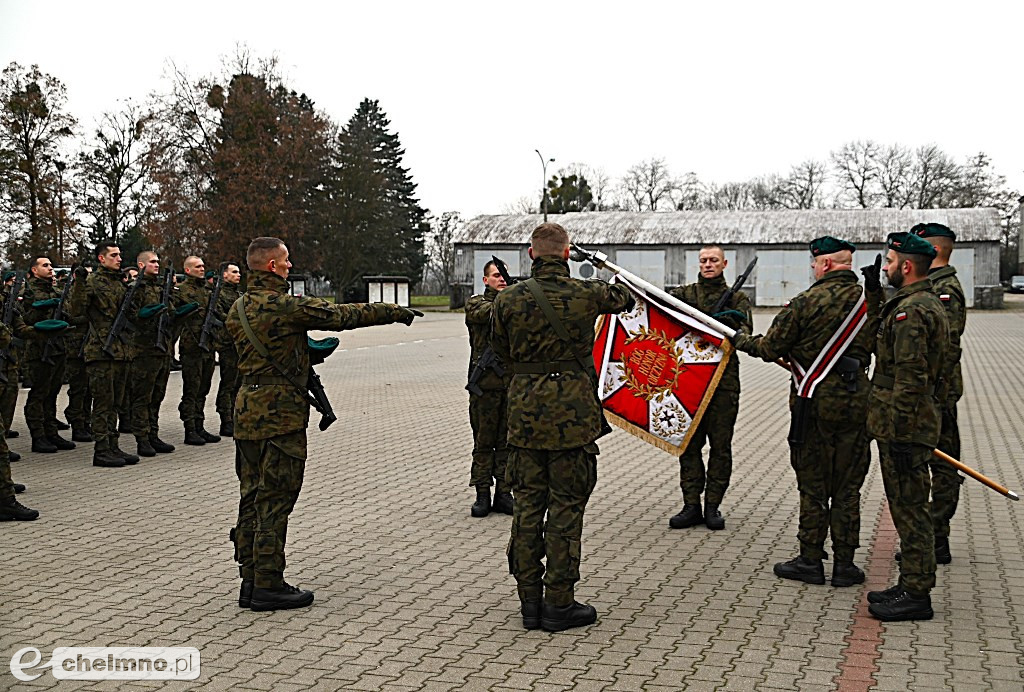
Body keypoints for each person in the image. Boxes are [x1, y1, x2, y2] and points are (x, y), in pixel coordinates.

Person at [226, 236, 422, 612]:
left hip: (247, 410)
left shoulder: (238, 308)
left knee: (251, 494)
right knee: (276, 499)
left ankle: (249, 579)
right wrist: (391, 311)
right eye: (285, 260)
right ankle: (269, 584)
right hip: (279, 414)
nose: (289, 264)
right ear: (271, 266)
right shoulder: (285, 306)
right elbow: (342, 316)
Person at [491, 222, 634, 632]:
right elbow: (624, 296)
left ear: (531, 254)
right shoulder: (587, 294)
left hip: (523, 416)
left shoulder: (508, 300)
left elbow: (500, 349)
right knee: (567, 510)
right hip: (573, 417)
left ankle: (529, 602)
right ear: (568, 254)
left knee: (528, 508)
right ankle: (559, 603)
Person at [732, 237, 882, 587]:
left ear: (826, 264)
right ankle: (845, 564)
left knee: (813, 486)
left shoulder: (806, 302)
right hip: (858, 401)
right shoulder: (872, 300)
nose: (814, 269)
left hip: (812, 403)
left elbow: (771, 348)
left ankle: (810, 559)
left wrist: (740, 337)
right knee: (848, 488)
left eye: (815, 264)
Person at [865, 231, 949, 622]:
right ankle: (911, 583)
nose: (886, 268)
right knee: (906, 508)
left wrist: (899, 429)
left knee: (911, 510)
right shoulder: (912, 302)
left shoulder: (913, 310)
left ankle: (917, 594)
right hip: (907, 423)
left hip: (906, 427)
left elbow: (911, 378)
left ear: (907, 266)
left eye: (890, 262)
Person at [667, 245, 751, 530]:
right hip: (689, 380)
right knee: (689, 445)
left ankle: (712, 505)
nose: (708, 265)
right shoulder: (687, 295)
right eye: (703, 260)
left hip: (723, 383)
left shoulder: (738, 298)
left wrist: (726, 327)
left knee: (720, 447)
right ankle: (691, 504)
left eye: (713, 260)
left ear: (724, 263)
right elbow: (663, 309)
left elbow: (745, 336)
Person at [904, 222, 966, 565]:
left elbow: (944, 348)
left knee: (942, 463)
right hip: (928, 391)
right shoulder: (931, 286)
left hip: (937, 393)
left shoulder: (945, 290)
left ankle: (937, 536)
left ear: (933, 250)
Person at [68, 241, 144, 468]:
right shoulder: (92, 283)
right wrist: (79, 282)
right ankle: (101, 449)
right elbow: (76, 311)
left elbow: (132, 315)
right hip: (101, 351)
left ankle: (113, 444)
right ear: (102, 258)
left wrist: (136, 292)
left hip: (121, 351)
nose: (119, 259)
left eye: (119, 254)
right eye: (114, 255)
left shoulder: (119, 283)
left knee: (116, 403)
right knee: (103, 402)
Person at [464, 260, 513, 518]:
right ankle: (482, 493)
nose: (502, 279)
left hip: (510, 387)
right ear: (486, 280)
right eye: (496, 276)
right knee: (483, 443)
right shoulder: (476, 303)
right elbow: (490, 313)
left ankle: (504, 494)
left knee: (507, 443)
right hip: (484, 389)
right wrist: (518, 298)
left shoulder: (514, 304)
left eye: (504, 276)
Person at [21, 257, 75, 454]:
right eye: (45, 265)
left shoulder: (56, 290)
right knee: (39, 393)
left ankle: (51, 431)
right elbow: (25, 319)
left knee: (52, 393)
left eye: (51, 265)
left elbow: (69, 313)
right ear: (34, 270)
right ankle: (38, 435)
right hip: (39, 349)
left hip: (58, 347)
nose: (50, 268)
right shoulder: (29, 291)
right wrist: (42, 306)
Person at [128, 251, 177, 457]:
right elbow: (129, 316)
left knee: (157, 395)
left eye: (158, 262)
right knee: (142, 396)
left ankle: (153, 434)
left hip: (161, 348)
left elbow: (171, 312)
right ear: (141, 265)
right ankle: (142, 438)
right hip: (143, 349)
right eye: (153, 262)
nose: (157, 265)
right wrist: (143, 315)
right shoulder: (135, 288)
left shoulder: (159, 288)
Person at [177, 256, 220, 445]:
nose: (202, 269)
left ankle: (200, 425)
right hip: (192, 346)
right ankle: (190, 428)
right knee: (191, 389)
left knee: (203, 388)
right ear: (187, 270)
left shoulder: (207, 291)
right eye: (198, 266)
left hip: (208, 346)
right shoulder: (182, 291)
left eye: (203, 265)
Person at [62, 266, 93, 443]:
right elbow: (72, 316)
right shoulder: (71, 293)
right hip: (75, 347)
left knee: (89, 388)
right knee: (78, 388)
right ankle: (77, 423)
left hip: (89, 345)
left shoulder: (89, 292)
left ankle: (86, 421)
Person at [215, 263, 243, 438]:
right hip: (227, 343)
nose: (238, 275)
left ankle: (235, 416)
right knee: (228, 383)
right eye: (234, 272)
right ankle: (225, 419)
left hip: (240, 344)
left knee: (239, 383)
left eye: (239, 272)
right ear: (224, 275)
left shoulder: (239, 295)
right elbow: (221, 316)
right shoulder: (219, 294)